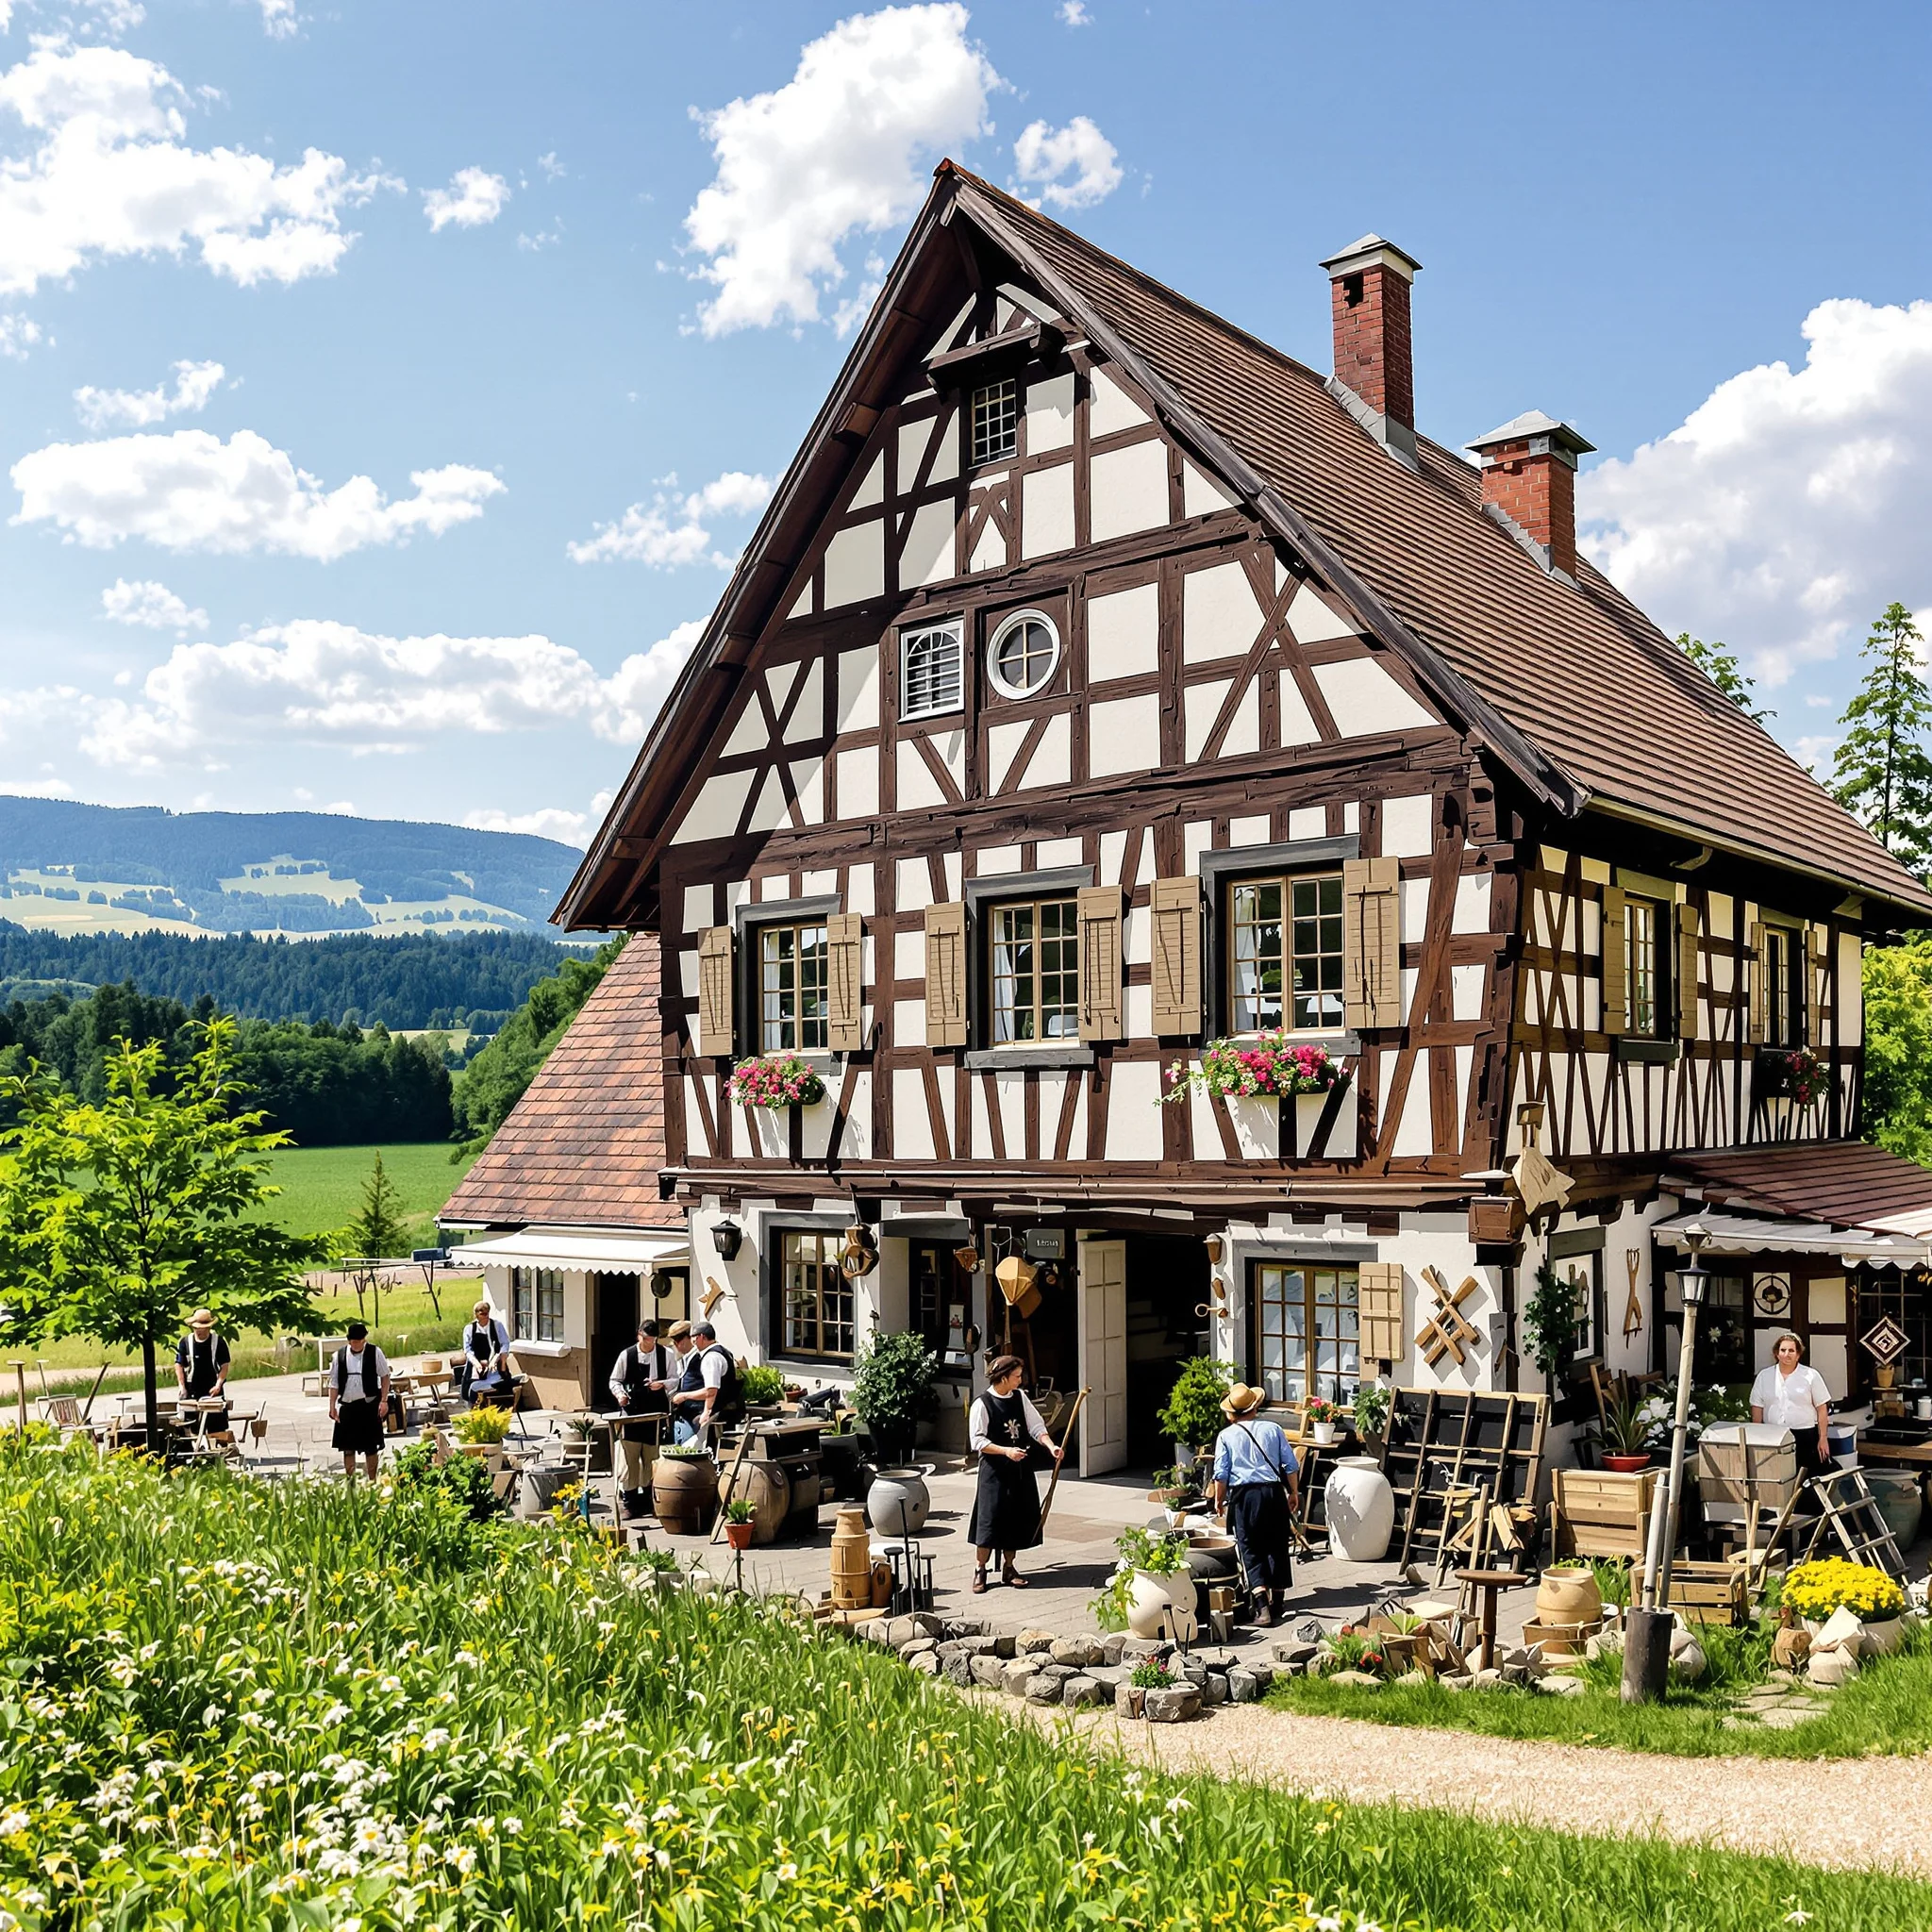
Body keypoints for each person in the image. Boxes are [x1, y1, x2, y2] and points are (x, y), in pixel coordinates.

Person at [967, 1355, 1062, 1594]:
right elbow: (977, 1441)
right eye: (1017, 1376)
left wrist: (1051, 1446)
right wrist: (1005, 1451)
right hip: (994, 1472)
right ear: (1004, 1377)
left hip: (1019, 1469)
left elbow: (1036, 1426)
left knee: (1015, 1519)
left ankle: (1009, 1568)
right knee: (989, 1521)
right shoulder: (983, 1404)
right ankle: (980, 1569)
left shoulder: (1020, 1398)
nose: (1021, 1380)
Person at [1210, 1383, 1298, 1627]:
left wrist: (1219, 1500)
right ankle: (1278, 1601)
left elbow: (1221, 1473)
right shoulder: (1273, 1428)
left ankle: (1262, 1606)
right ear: (1254, 1407)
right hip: (1273, 1492)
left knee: (1250, 1546)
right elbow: (1290, 1465)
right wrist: (1293, 1492)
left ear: (1232, 1413)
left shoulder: (1226, 1436)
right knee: (1277, 1543)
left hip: (1244, 1496)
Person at [609, 1319, 675, 1515]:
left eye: (653, 1339)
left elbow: (676, 1379)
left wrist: (662, 1384)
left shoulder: (666, 1355)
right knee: (630, 1458)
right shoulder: (626, 1355)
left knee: (652, 1457)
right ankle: (629, 1502)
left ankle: (650, 1500)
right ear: (639, 1335)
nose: (650, 1343)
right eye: (646, 1339)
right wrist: (620, 1394)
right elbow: (615, 1380)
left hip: (655, 1413)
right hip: (631, 1412)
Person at [1751, 1331, 1833, 1488]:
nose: (1786, 1354)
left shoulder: (1811, 1375)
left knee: (1806, 1481)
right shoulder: (1764, 1376)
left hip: (1804, 1436)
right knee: (1777, 1479)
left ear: (1798, 1354)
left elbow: (1822, 1409)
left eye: (1791, 1351)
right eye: (1783, 1350)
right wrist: (1757, 1437)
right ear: (1776, 1353)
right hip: (1773, 1436)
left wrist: (1823, 1438)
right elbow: (1757, 1408)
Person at [329, 1321, 391, 1482]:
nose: (357, 1345)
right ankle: (350, 1482)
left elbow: (385, 1376)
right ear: (349, 1341)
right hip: (348, 1406)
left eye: (360, 1341)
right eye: (354, 1342)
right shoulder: (339, 1356)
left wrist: (383, 1401)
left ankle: (372, 1481)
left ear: (365, 1340)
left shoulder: (375, 1352)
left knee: (371, 1448)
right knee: (348, 1449)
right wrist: (332, 1406)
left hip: (369, 1405)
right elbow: (334, 1383)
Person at [669, 1321, 744, 1444]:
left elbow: (711, 1390)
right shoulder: (719, 1352)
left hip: (710, 1414)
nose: (693, 1342)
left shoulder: (711, 1357)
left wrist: (705, 1411)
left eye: (694, 1338)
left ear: (701, 1337)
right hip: (711, 1412)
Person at [173, 1307, 231, 1436]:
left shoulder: (219, 1342)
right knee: (191, 1426)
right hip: (192, 1389)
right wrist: (182, 1387)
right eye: (196, 1328)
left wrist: (218, 1384)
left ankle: (217, 1450)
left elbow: (224, 1366)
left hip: (213, 1390)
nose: (199, 1331)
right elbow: (179, 1365)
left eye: (202, 1328)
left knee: (216, 1427)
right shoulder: (185, 1343)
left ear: (208, 1328)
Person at [458, 1300, 511, 1404]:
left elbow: (505, 1343)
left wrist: (497, 1359)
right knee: (470, 1391)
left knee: (500, 1387)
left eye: (486, 1314)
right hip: (476, 1367)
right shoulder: (469, 1329)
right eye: (481, 1315)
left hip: (494, 1365)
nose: (484, 1318)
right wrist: (477, 1364)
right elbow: (468, 1350)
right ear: (476, 1315)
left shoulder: (497, 1325)